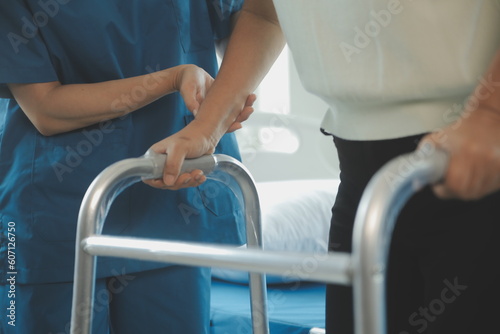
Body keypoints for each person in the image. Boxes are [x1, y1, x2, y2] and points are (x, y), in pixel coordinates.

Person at [150, 1, 500, 333]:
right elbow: (265, 14)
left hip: (475, 157)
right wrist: (206, 128)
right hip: (361, 177)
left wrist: (490, 114)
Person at [0, 1, 255, 333]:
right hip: (56, 215)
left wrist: (219, 111)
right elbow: (45, 107)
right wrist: (172, 79)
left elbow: (259, 16)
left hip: (172, 209)